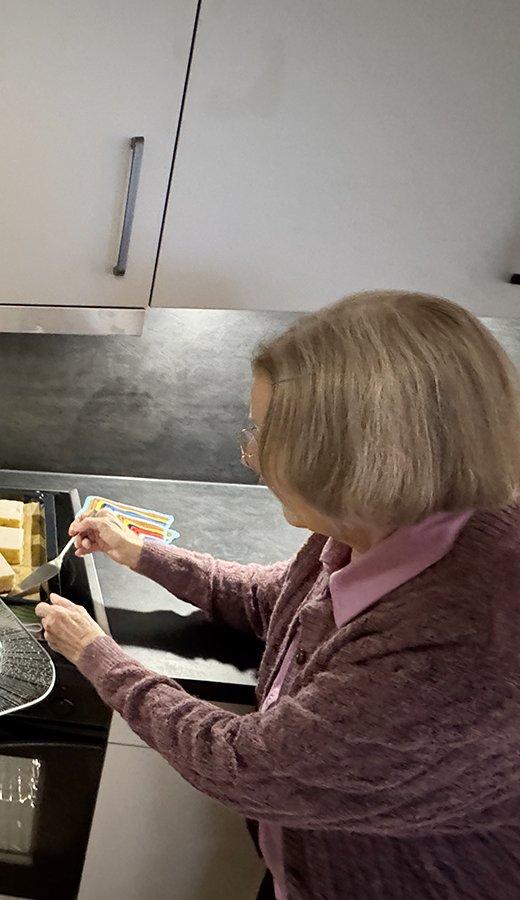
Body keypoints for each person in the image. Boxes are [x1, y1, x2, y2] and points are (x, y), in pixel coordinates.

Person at [37, 290, 520, 900]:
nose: (253, 458)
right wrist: (141, 553)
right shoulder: (383, 523)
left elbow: (247, 764)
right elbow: (284, 601)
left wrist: (95, 654)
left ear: (350, 461)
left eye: (264, 435)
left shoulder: (460, 636)